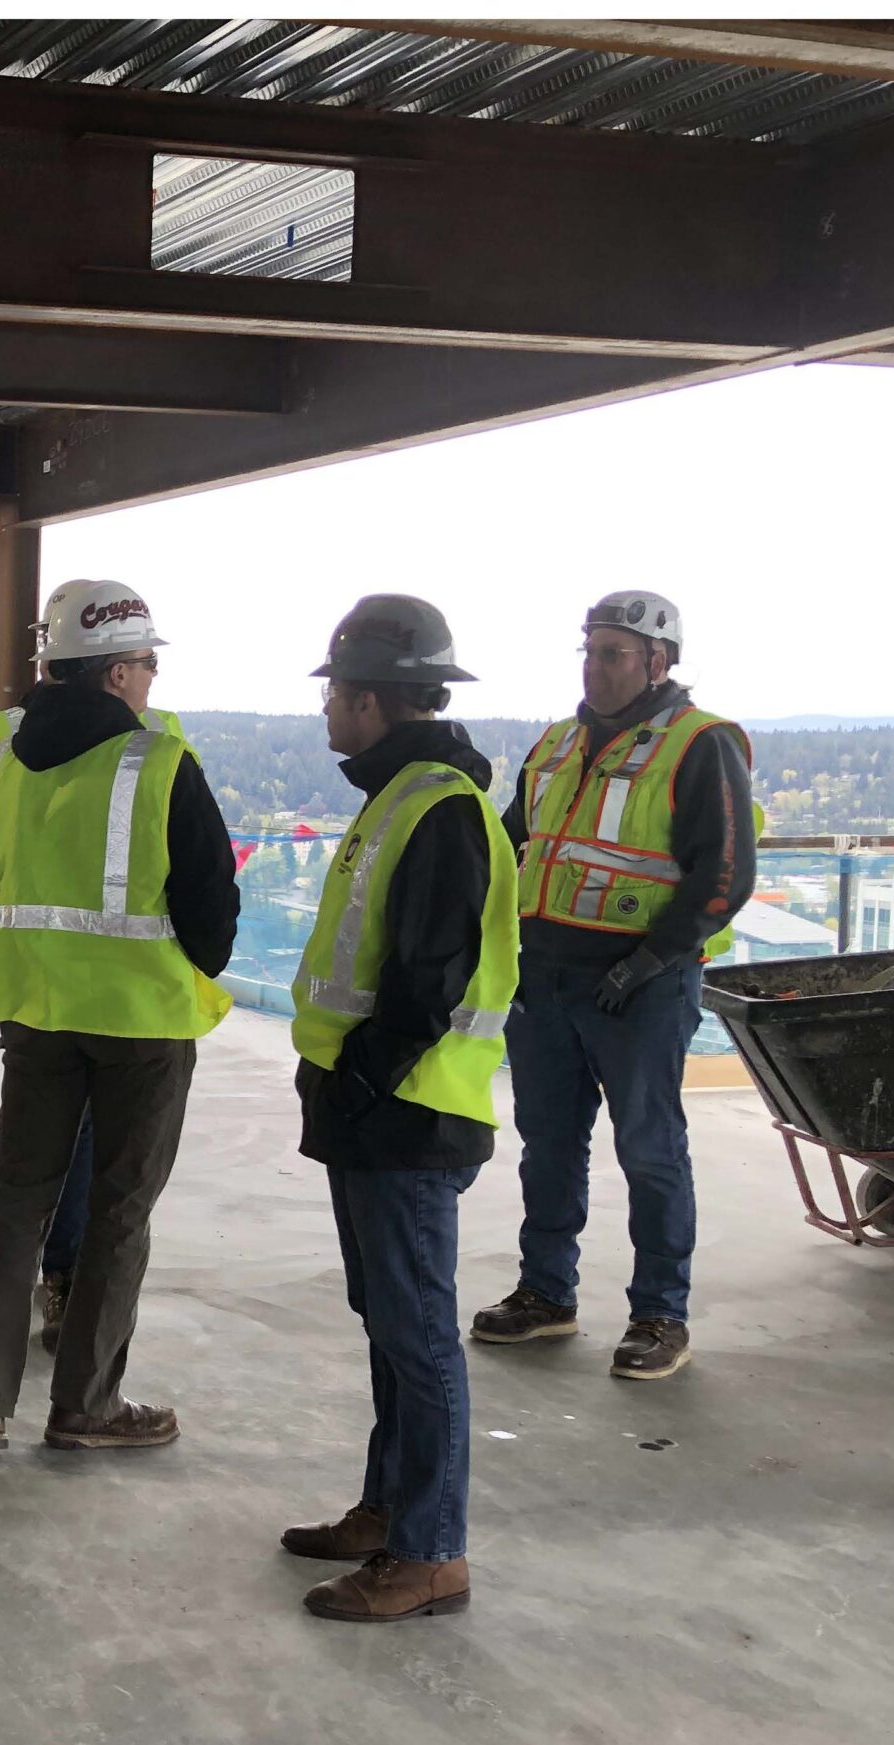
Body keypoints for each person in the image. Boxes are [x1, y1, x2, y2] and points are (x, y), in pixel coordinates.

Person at [0, 580, 238, 1454]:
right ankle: (88, 1407)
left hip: (36, 1014)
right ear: (118, 671)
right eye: (148, 666)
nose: (152, 682)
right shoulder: (155, 760)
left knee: (16, 1205)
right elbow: (212, 911)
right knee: (118, 1213)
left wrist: (10, 964)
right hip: (144, 1019)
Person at [283, 595, 517, 1623]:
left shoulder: (437, 808)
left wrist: (360, 1077)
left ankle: (430, 1552)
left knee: (418, 1331)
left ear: (369, 697)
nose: (327, 711)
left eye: (333, 693)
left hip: (408, 1115)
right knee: (388, 1320)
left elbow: (427, 980)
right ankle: (387, 1510)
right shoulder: (403, 795)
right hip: (374, 1108)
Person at [473, 591, 758, 1381]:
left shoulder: (701, 746)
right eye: (589, 652)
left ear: (658, 663)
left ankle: (660, 1313)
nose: (595, 668)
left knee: (650, 1151)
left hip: (640, 987)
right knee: (549, 1144)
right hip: (545, 979)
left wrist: (650, 962)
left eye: (614, 654)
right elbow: (511, 845)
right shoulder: (559, 743)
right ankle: (546, 1294)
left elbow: (725, 876)